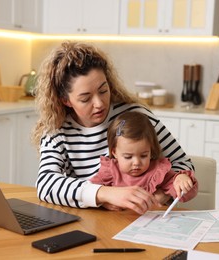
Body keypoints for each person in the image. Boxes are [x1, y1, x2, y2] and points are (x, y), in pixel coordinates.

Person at [32, 41, 194, 215]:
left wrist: (160, 195)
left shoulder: (137, 118)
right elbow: (46, 185)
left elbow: (183, 164)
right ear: (66, 100)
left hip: (141, 219)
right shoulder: (56, 131)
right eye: (85, 99)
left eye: (103, 90)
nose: (99, 104)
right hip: (91, 221)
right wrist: (105, 194)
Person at [89, 111, 198, 205]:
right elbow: (92, 193)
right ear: (114, 152)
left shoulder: (158, 172)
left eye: (144, 155)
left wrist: (182, 180)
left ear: (151, 150)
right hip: (117, 223)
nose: (136, 162)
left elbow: (184, 195)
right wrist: (105, 203)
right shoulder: (109, 172)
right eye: (128, 157)